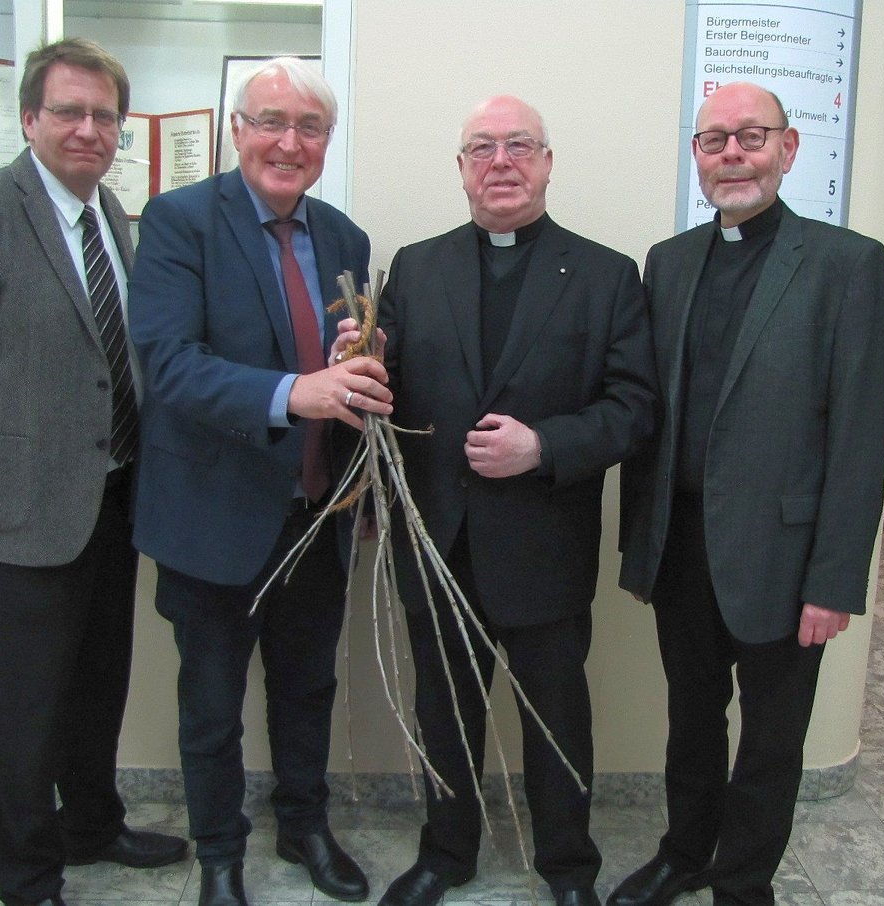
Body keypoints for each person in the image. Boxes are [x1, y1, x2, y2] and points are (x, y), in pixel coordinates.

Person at [0, 37, 187, 906]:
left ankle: (90, 825)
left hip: (111, 500)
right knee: (23, 708)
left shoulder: (112, 216)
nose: (89, 129)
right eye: (69, 111)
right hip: (11, 517)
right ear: (29, 119)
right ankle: (25, 875)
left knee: (96, 685)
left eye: (105, 116)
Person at [364, 95, 657, 906]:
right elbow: (388, 389)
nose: (502, 161)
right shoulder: (415, 268)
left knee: (557, 717)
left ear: (548, 162)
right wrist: (359, 368)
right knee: (444, 712)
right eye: (483, 147)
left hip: (545, 544)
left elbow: (635, 407)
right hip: (438, 544)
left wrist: (544, 446)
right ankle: (445, 854)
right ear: (461, 168)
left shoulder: (606, 274)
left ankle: (568, 867)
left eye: (520, 145)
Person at [614, 81, 884, 906]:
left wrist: (834, 581)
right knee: (691, 719)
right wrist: (642, 544)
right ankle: (683, 854)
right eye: (715, 140)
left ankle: (742, 885)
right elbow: (651, 414)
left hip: (787, 555)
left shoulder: (849, 265)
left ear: (788, 147)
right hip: (681, 546)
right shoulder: (669, 262)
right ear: (697, 155)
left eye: (751, 136)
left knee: (771, 742)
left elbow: (860, 439)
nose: (732, 154)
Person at [127, 56, 393, 906]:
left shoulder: (345, 237)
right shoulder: (178, 222)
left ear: (327, 141)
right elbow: (170, 364)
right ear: (236, 130)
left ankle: (305, 826)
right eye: (270, 122)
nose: (288, 142)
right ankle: (218, 854)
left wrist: (361, 362)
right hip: (211, 514)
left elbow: (344, 366)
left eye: (309, 127)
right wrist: (292, 392)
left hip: (317, 514)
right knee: (211, 704)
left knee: (307, 686)